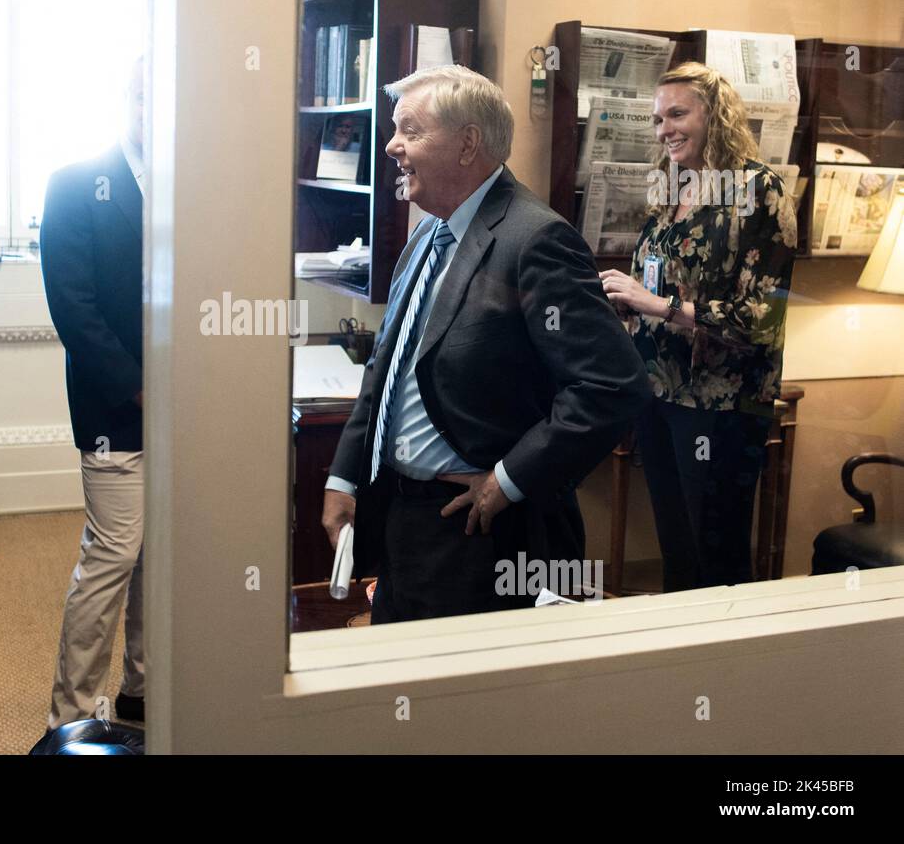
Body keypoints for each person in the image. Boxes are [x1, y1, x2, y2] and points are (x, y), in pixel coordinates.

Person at [322, 65, 651, 623]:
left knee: (466, 705)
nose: (392, 145)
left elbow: (611, 385)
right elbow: (387, 366)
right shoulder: (427, 232)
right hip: (405, 523)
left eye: (410, 130)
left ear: (468, 143)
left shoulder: (535, 239)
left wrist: (507, 481)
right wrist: (344, 476)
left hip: (484, 534)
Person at [600, 62, 797, 592]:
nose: (665, 129)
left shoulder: (761, 190)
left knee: (718, 555)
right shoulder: (670, 191)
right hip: (658, 395)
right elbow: (659, 289)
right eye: (658, 119)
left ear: (716, 115)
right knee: (677, 551)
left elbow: (761, 319)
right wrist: (627, 302)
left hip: (723, 406)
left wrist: (658, 305)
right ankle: (679, 668)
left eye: (678, 114)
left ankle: (728, 671)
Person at [37, 58, 146, 738]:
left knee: (165, 561)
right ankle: (70, 716)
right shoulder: (76, 184)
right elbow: (74, 312)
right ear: (127, 98)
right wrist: (140, 388)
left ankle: (142, 693)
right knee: (114, 556)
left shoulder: (196, 183)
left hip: (192, 412)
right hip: (116, 413)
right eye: (143, 90)